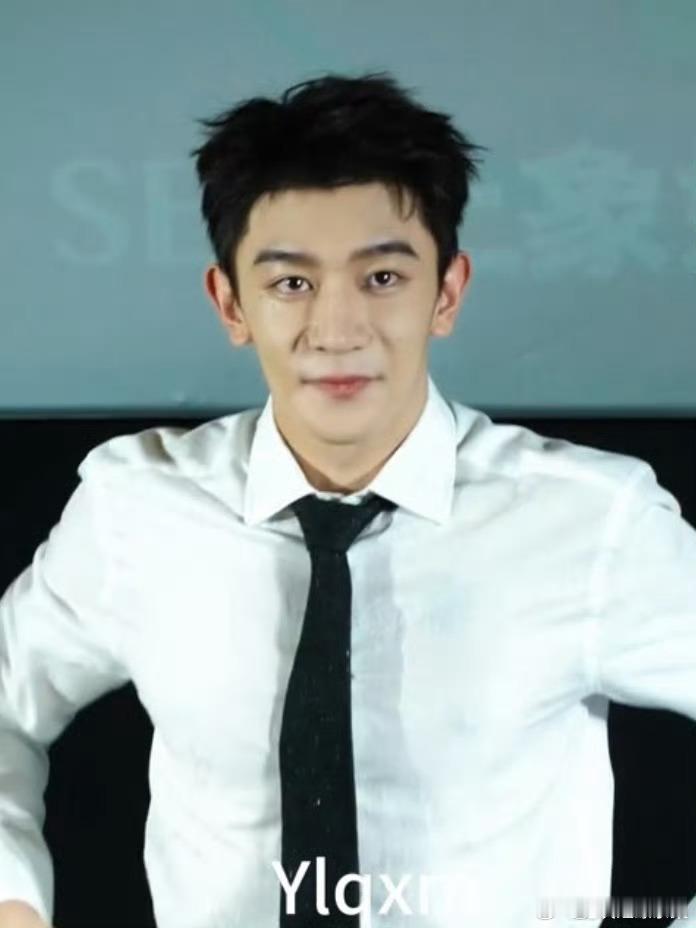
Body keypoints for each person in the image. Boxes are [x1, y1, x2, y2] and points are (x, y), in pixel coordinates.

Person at [1, 69, 695, 928]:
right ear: (231, 303)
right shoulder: (135, 508)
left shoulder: (592, 521)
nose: (336, 330)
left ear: (447, 292)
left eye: (383, 278)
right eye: (291, 283)